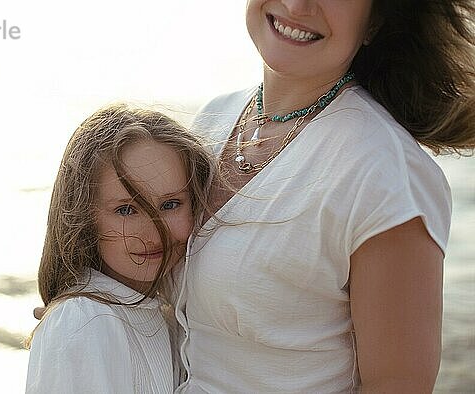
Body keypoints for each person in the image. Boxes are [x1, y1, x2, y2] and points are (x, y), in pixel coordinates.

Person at [173, 0, 475, 393]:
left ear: (375, 20)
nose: (297, 5)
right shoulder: (214, 118)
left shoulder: (383, 173)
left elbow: (397, 384)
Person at [24, 104, 212, 393]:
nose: (153, 233)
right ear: (85, 217)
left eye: (171, 204)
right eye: (126, 210)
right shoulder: (85, 322)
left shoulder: (164, 314)